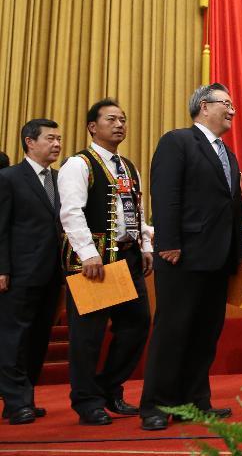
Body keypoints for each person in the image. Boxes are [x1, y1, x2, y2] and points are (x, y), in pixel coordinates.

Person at [139, 84, 242, 430]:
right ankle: (155, 404)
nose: (232, 110)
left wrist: (239, 253)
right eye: (226, 103)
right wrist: (168, 241)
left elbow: (232, 208)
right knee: (173, 331)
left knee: (205, 333)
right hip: (181, 256)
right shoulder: (178, 141)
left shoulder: (227, 153)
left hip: (219, 259)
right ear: (204, 105)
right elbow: (165, 193)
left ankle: (194, 400)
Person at [58, 99, 153, 425]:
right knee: (88, 335)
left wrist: (145, 244)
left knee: (138, 324)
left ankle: (109, 386)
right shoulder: (78, 164)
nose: (119, 125)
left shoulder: (128, 166)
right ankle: (86, 401)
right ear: (92, 127)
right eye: (111, 119)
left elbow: (135, 211)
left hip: (126, 257)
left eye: (123, 119)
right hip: (94, 261)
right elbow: (70, 213)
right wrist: (87, 253)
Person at [0, 120, 62, 425]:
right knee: (14, 338)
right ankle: (15, 400)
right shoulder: (9, 178)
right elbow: (1, 227)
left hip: (53, 274)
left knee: (38, 339)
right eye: (50, 138)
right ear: (29, 142)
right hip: (19, 272)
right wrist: (2, 268)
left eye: (59, 139)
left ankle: (22, 399)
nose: (57, 144)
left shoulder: (61, 178)